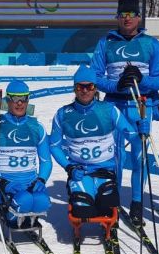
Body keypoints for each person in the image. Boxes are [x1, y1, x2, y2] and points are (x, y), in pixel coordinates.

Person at [90, 0, 159, 226]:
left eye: (131, 15)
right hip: (113, 105)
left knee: (139, 157)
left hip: (141, 105)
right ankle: (111, 202)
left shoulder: (151, 43)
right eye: (122, 15)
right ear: (117, 17)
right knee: (114, 156)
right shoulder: (106, 42)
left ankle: (135, 204)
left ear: (138, 17)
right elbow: (94, 77)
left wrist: (141, 81)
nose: (126, 19)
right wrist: (116, 85)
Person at [49, 66, 142, 219]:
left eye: (89, 86)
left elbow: (131, 135)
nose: (84, 91)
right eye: (80, 86)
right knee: (84, 211)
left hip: (105, 170)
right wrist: (69, 167)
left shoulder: (109, 110)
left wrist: (140, 132)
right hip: (80, 172)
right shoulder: (63, 114)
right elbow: (54, 146)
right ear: (74, 88)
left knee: (107, 206)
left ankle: (109, 227)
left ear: (95, 88)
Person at [0, 80, 52, 229]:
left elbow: (46, 161)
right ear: (7, 100)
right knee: (25, 201)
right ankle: (10, 216)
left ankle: (28, 219)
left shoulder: (37, 127)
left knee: (43, 201)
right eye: (15, 98)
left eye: (24, 99)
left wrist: (41, 179)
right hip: (7, 185)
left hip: (30, 182)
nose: (19, 103)